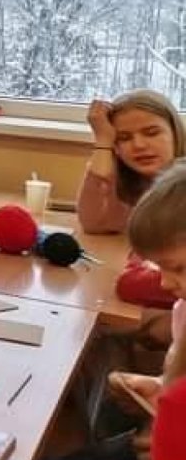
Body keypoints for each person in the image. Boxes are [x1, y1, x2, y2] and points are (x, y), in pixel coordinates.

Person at [26, 161, 186, 460]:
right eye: (159, 268)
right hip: (161, 448)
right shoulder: (182, 309)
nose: (164, 283)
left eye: (178, 268)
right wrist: (158, 388)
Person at [80, 90, 183, 308]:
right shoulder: (135, 184)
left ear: (175, 133)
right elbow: (94, 223)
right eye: (124, 138)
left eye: (152, 133)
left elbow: (133, 285)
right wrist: (103, 142)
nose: (139, 145)